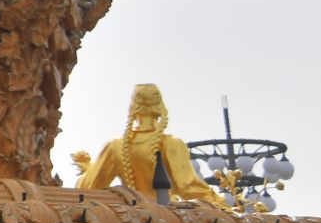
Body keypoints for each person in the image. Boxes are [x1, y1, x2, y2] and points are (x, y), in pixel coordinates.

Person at [73, 84, 221, 205]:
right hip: (168, 215)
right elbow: (189, 187)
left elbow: (87, 187)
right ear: (160, 107)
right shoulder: (171, 143)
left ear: (132, 108)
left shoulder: (115, 146)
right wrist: (221, 204)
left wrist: (88, 169)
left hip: (133, 216)